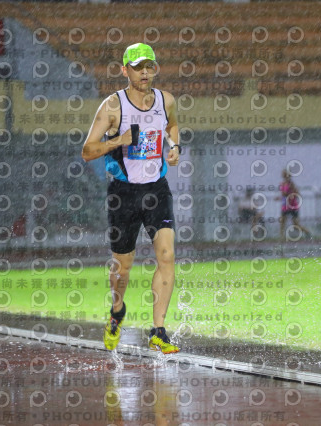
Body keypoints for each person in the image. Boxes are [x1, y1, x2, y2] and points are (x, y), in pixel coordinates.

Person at [81, 43, 181, 354]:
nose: (145, 73)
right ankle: (117, 310)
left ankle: (159, 331)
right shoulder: (113, 106)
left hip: (157, 190)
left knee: (166, 256)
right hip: (123, 194)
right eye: (138, 67)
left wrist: (175, 146)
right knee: (122, 268)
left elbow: (172, 125)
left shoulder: (165, 100)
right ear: (125, 70)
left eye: (149, 66)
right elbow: (87, 151)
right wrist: (119, 141)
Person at [278, 169, 311, 240]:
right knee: (282, 223)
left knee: (295, 224)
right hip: (285, 206)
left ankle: (307, 232)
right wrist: (280, 197)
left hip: (293, 206)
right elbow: (283, 195)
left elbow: (296, 193)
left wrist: (290, 194)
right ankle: (281, 238)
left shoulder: (291, 184)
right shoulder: (282, 184)